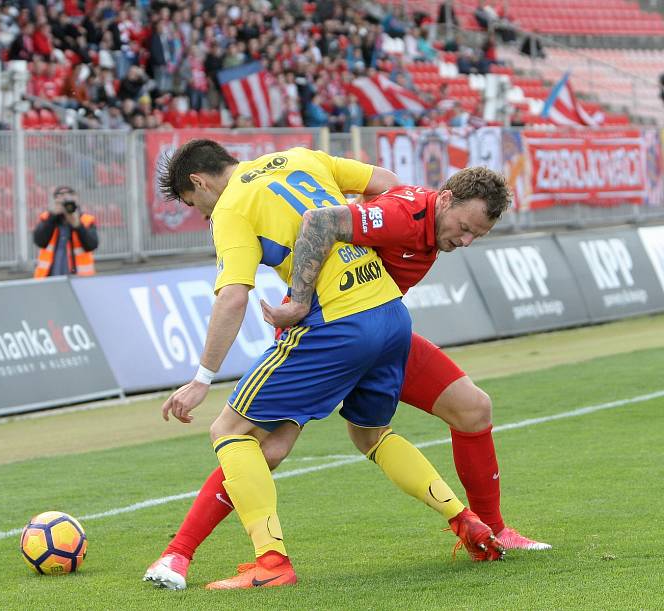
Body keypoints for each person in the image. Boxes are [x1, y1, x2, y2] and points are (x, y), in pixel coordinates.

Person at [145, 165, 549, 591]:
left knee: (471, 409)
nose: (466, 241)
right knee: (286, 444)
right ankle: (183, 551)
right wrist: (300, 301)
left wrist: (363, 211)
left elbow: (382, 183)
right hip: (358, 322)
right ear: (445, 200)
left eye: (476, 236)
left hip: (364, 325)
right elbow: (328, 219)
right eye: (465, 228)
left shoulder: (411, 209)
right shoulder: (399, 211)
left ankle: (487, 526)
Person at [32, 185, 98, 278]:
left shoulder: (86, 220)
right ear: (55, 200)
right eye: (61, 195)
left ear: (76, 198)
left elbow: (91, 245)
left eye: (70, 194)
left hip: (80, 279)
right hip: (49, 278)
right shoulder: (47, 218)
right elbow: (40, 241)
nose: (66, 198)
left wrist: (78, 225)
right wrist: (53, 216)